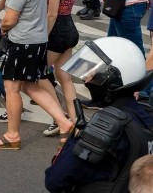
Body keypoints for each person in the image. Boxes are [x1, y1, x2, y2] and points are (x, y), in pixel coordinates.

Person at [0, 0, 73, 150]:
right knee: (31, 85)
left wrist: (3, 28)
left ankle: (12, 135)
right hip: (37, 41)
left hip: (21, 42)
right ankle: (64, 121)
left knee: (11, 88)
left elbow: (9, 20)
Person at [45, 37, 153, 192]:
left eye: (95, 74)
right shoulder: (145, 115)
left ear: (114, 82)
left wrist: (76, 139)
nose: (87, 79)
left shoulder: (106, 128)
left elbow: (55, 181)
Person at [41, 0, 80, 136]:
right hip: (70, 30)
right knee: (64, 77)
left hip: (57, 33)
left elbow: (52, 14)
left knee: (38, 74)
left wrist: (43, 36)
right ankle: (75, 119)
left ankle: (59, 116)